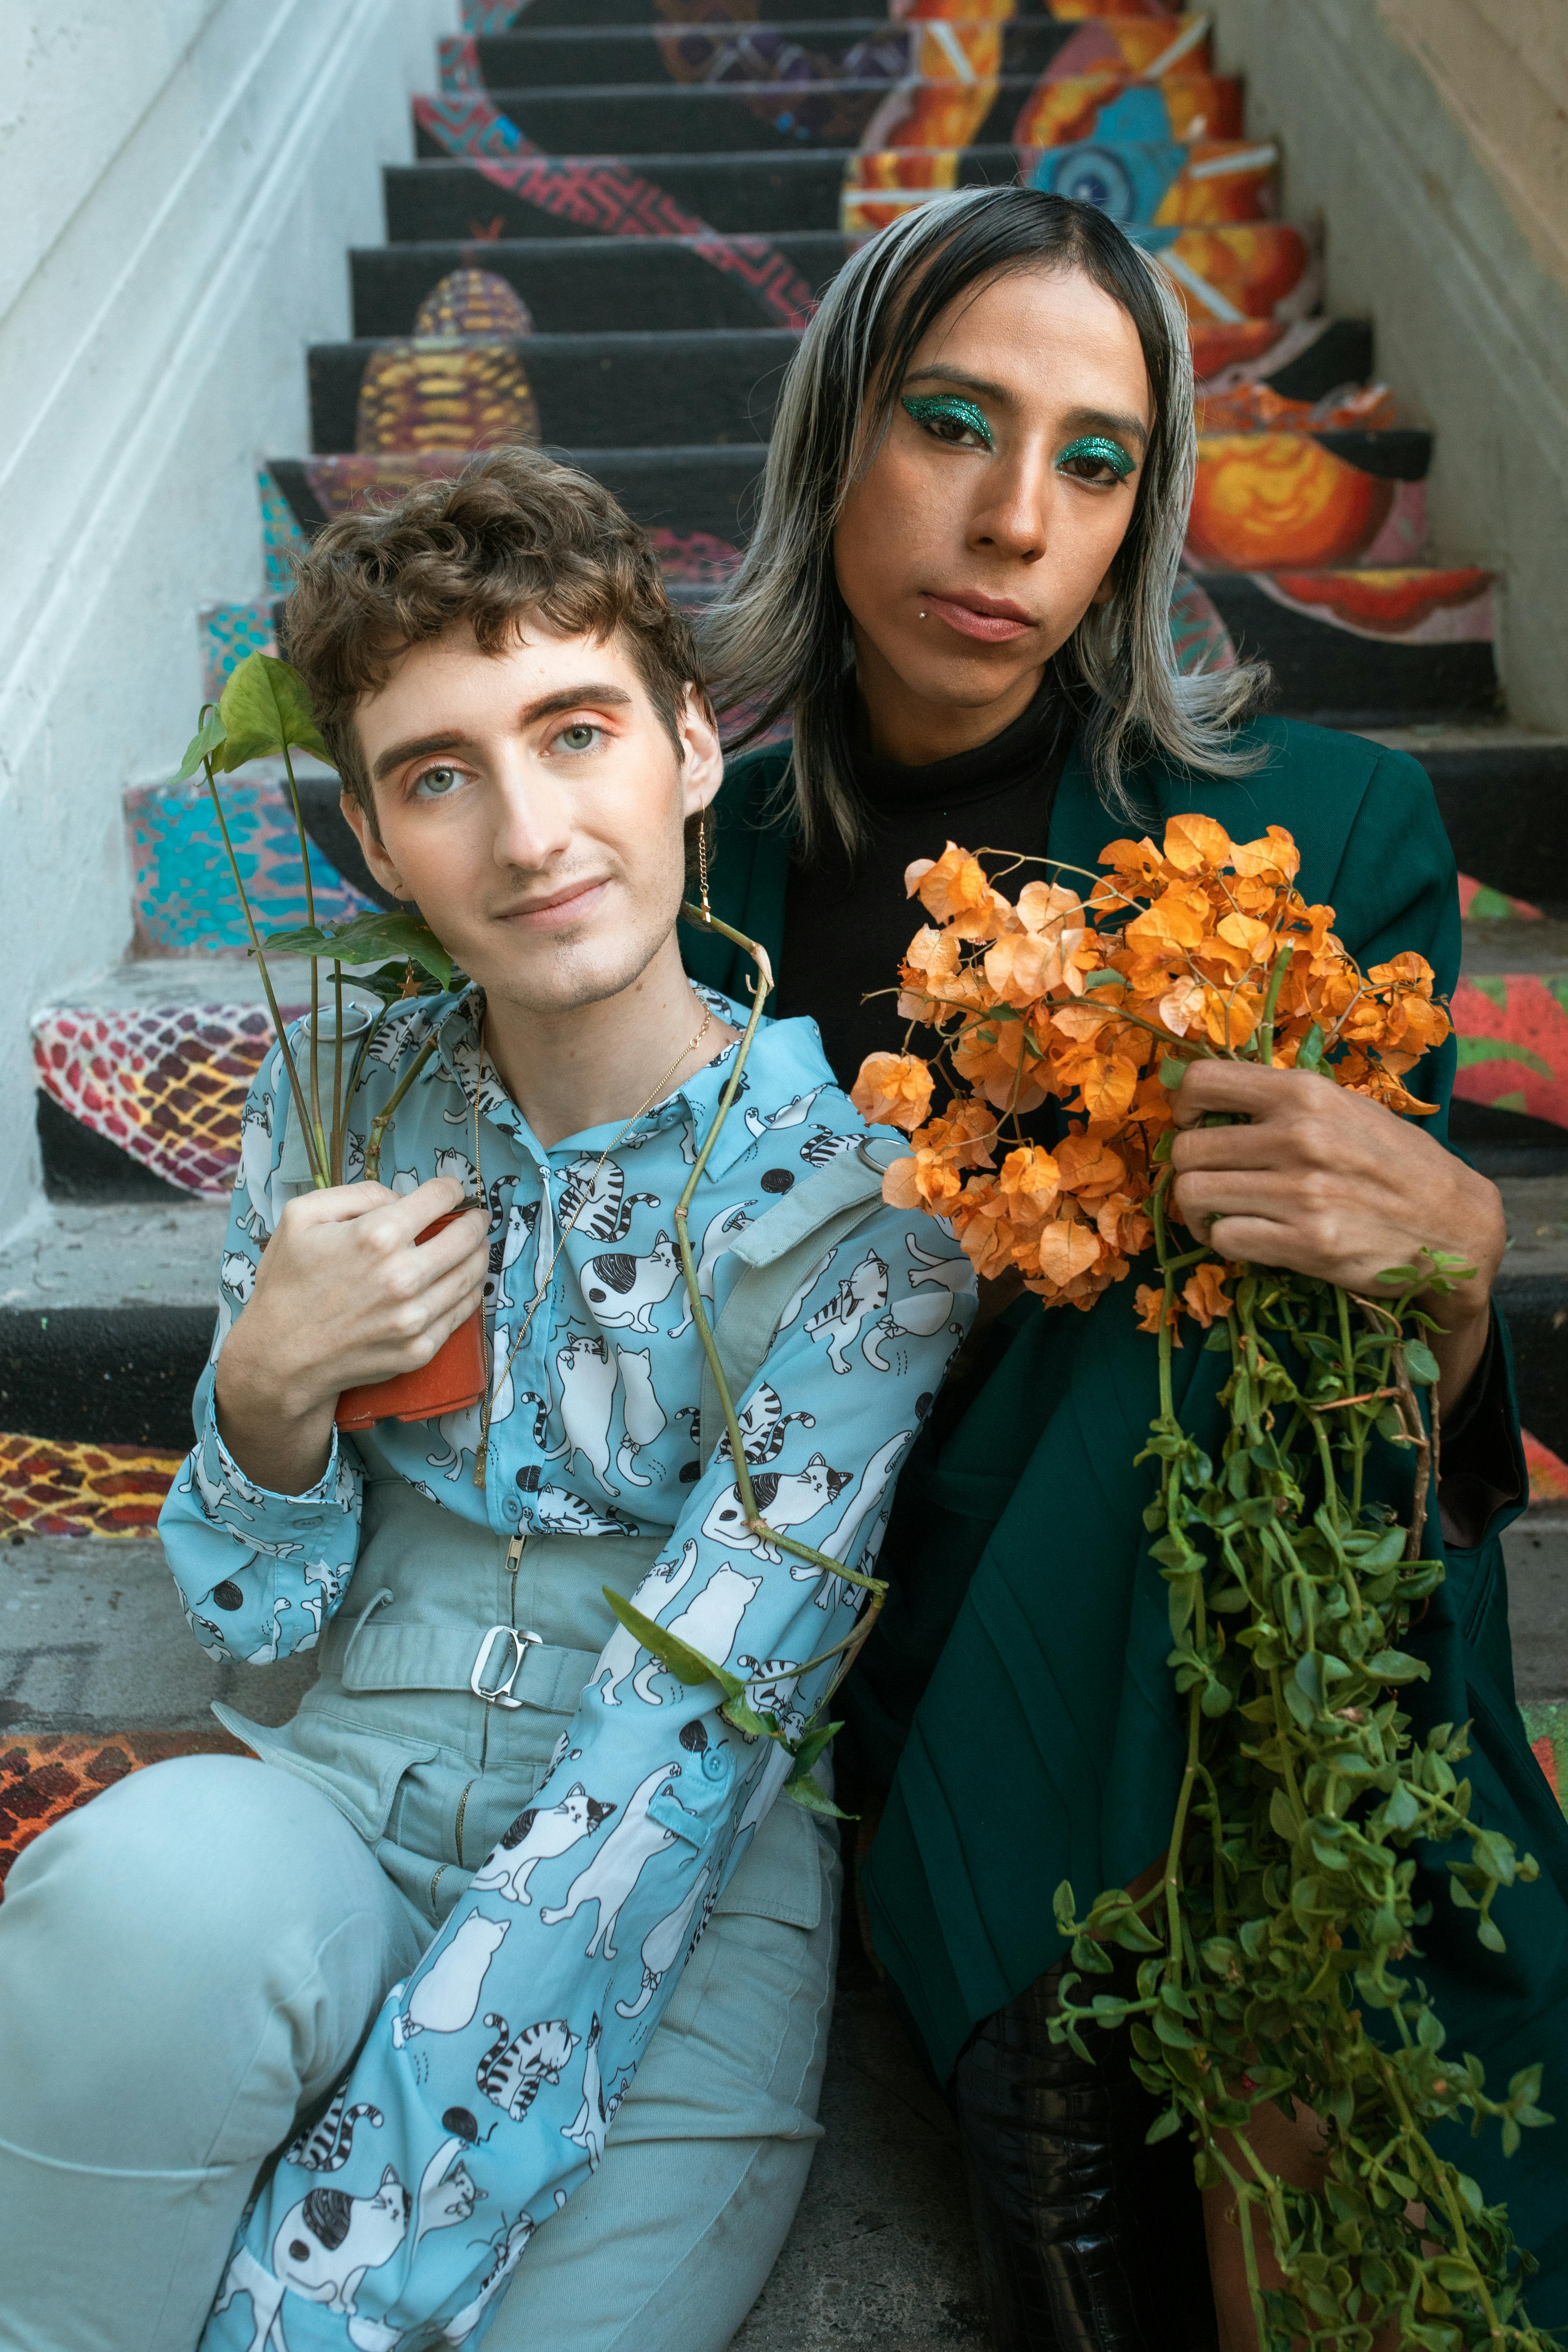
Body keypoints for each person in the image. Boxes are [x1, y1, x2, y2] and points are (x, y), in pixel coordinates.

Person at [686, 187, 1567, 2349]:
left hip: (1212, 1589)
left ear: (1144, 517)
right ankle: (1075, 2059)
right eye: (952, 424)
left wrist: (1463, 1274)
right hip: (834, 1587)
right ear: (833, 449)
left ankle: (1049, 2074)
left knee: (1240, 1274)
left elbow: (1391, 1458)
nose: (1010, 520)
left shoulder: (1321, 831)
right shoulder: (668, 862)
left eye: (1093, 461)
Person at [0, 450, 976, 2352]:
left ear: (693, 750)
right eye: (440, 774)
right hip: (338, 1797)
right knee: (132, 1906)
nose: (530, 834)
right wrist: (268, 1393)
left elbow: (682, 1769)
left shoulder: (870, 1214)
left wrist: (313, 2302)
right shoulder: (340, 1105)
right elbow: (257, 1612)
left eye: (577, 729)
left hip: (678, 1896)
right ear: (374, 843)